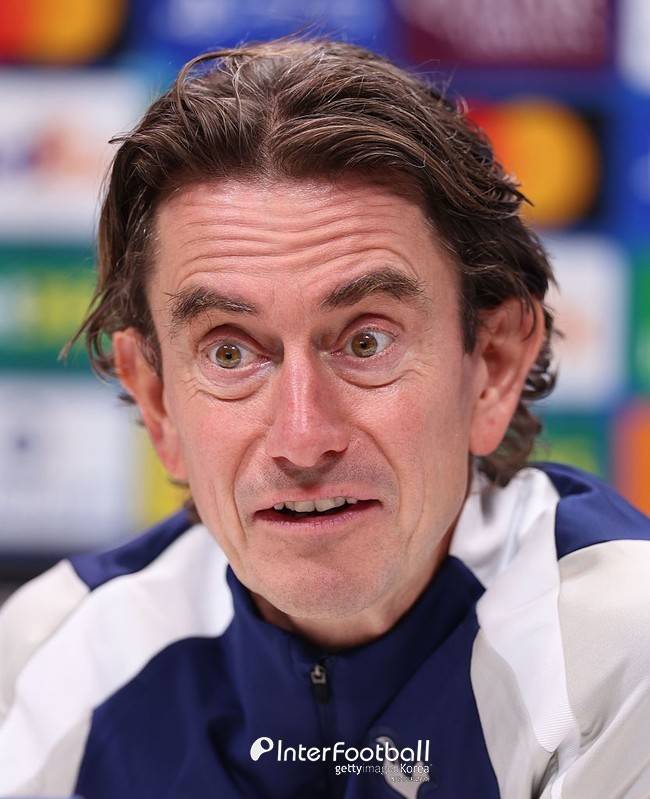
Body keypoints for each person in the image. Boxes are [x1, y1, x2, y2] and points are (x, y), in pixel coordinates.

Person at [1, 38, 649, 799]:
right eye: (230, 353)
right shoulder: (52, 658)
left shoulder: (617, 649)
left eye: (366, 342)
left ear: (493, 366)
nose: (303, 439)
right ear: (158, 399)